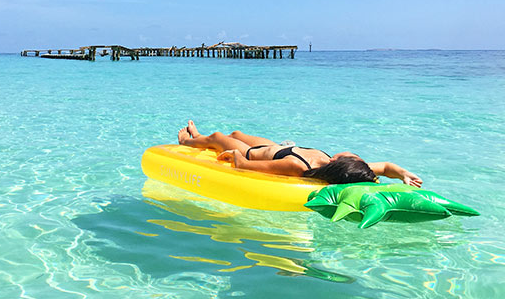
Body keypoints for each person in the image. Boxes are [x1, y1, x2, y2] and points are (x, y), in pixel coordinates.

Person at [177, 121, 422, 186]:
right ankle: (199, 138)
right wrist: (404, 174)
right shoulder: (340, 165)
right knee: (236, 131)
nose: (353, 153)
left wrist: (233, 155)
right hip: (276, 146)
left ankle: (189, 140)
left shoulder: (297, 167)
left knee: (219, 137)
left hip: (254, 154)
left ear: (341, 160)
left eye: (353, 154)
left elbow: (243, 166)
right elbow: (387, 167)